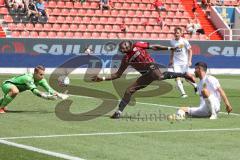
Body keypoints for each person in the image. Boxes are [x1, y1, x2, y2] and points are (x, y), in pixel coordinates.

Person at [92, 40, 196, 119]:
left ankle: (184, 75)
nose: (122, 51)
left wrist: (169, 48)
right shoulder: (126, 59)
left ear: (127, 46)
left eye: (123, 48)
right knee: (129, 91)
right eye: (121, 49)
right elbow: (118, 74)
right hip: (146, 75)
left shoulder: (137, 45)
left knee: (159, 77)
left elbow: (154, 47)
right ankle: (118, 112)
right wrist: (102, 78)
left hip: (151, 66)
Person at [0, 65, 68, 113]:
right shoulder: (28, 78)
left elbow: (49, 89)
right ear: (35, 73)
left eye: (43, 74)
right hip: (7, 85)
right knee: (15, 91)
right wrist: (46, 96)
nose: (42, 76)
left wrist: (59, 95)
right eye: (40, 74)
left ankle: (2, 104)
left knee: (14, 92)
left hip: (15, 88)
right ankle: (1, 108)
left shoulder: (42, 80)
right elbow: (34, 91)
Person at [170, 27, 198, 98]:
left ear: (181, 33)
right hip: (176, 63)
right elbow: (172, 51)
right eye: (175, 33)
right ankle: (183, 94)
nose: (176, 34)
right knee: (177, 77)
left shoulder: (185, 41)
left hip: (184, 62)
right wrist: (171, 60)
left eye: (178, 33)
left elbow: (190, 51)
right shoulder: (172, 41)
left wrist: (189, 60)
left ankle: (196, 86)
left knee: (186, 78)